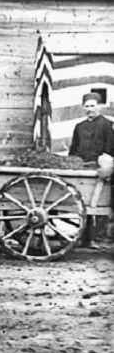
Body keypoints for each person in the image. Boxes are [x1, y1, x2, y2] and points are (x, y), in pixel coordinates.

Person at [68, 92, 114, 248]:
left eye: (93, 106)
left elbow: (110, 148)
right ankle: (84, 237)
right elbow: (73, 149)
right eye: (87, 106)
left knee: (99, 204)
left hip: (100, 169)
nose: (90, 109)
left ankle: (98, 238)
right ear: (83, 107)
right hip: (82, 169)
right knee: (84, 203)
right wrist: (72, 163)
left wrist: (105, 165)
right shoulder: (79, 127)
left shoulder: (107, 125)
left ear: (99, 107)